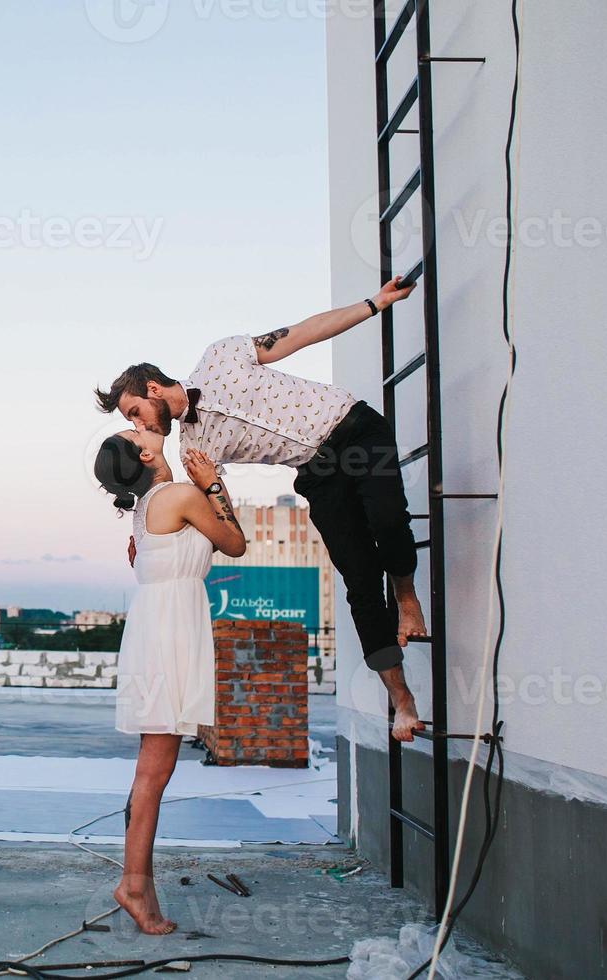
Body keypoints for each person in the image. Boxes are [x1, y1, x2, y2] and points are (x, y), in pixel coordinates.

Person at [94, 275, 428, 742]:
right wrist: (159, 534)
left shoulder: (221, 357)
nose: (137, 423)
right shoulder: (193, 446)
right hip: (318, 469)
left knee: (388, 519)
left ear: (152, 389)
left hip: (353, 428)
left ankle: (408, 599)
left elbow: (303, 332)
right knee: (356, 574)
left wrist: (374, 304)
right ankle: (402, 700)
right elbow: (220, 517)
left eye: (133, 412)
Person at [92, 429, 246, 935]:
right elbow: (236, 544)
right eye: (134, 429)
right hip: (170, 633)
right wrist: (214, 484)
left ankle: (138, 883)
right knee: (154, 774)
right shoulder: (179, 495)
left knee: (151, 771)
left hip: (156, 626)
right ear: (143, 454)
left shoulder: (147, 505)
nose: (144, 427)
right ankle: (134, 886)